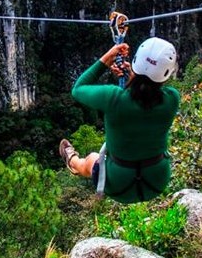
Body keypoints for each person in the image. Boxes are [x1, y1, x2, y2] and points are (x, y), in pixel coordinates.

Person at [59, 37, 180, 203]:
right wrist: (132, 76)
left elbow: (78, 89)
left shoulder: (113, 99)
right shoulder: (172, 99)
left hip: (119, 185)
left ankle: (73, 161)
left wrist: (107, 58)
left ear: (137, 61)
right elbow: (145, 100)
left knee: (92, 159)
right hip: (156, 182)